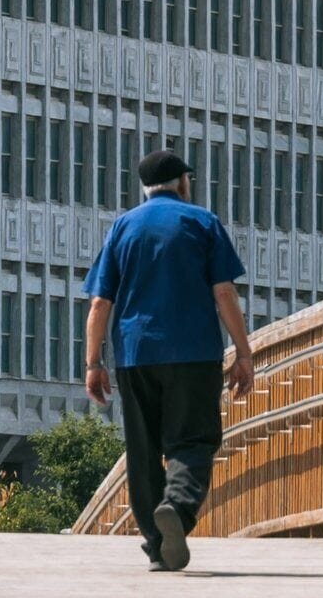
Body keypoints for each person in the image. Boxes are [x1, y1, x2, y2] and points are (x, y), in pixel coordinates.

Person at [80, 148, 254, 572]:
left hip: (136, 355)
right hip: (193, 353)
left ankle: (158, 545)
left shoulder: (123, 227)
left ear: (144, 188)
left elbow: (101, 302)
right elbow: (224, 292)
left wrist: (92, 363)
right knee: (192, 440)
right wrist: (244, 352)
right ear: (182, 182)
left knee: (142, 448)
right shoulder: (202, 222)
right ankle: (175, 505)